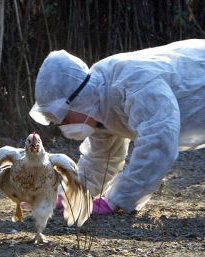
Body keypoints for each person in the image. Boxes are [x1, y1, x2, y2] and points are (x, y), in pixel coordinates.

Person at [29, 39, 205, 215]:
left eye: (64, 117)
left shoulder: (133, 84)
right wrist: (69, 195)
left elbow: (158, 141)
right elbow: (101, 159)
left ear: (78, 101)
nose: (63, 125)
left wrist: (117, 200)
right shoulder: (99, 103)